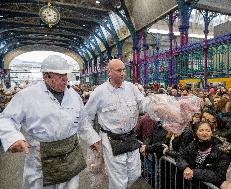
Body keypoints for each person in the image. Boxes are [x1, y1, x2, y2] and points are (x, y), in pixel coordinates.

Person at [0, 55, 101, 189]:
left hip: (70, 157)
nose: (65, 78)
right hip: (41, 161)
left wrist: (92, 139)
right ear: (46, 77)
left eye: (65, 74)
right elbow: (6, 118)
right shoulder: (27, 96)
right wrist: (13, 138)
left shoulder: (74, 96)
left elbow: (83, 122)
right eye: (60, 75)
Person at [85, 59, 146, 189]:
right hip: (111, 139)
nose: (123, 73)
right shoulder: (99, 92)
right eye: (119, 70)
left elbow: (143, 104)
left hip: (130, 137)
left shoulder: (131, 88)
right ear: (109, 72)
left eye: (124, 70)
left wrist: (158, 105)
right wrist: (92, 139)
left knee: (135, 173)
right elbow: (87, 117)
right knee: (118, 181)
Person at [177, 121, 231, 188]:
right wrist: (186, 167)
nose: (204, 133)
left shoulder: (221, 150)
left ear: (212, 133)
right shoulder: (193, 145)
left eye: (207, 130)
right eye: (201, 130)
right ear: (196, 133)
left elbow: (219, 175)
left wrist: (194, 173)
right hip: (192, 185)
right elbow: (181, 157)